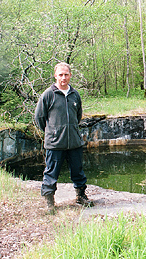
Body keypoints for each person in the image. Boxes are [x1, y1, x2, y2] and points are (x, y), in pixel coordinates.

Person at [34, 62, 93, 212]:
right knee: (51, 172)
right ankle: (49, 201)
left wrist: (71, 130)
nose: (63, 78)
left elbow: (78, 116)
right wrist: (52, 132)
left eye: (66, 74)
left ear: (70, 75)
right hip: (55, 143)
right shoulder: (48, 94)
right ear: (55, 76)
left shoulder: (75, 94)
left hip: (74, 142)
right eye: (60, 75)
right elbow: (39, 117)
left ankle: (81, 196)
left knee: (78, 171)